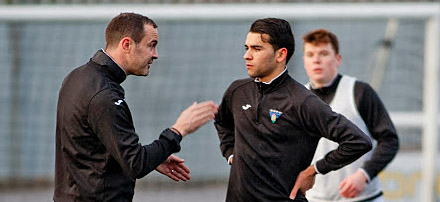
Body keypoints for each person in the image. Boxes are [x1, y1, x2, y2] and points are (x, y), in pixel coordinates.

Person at [54, 13, 218, 202]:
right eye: (151, 45)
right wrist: (178, 130)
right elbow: (136, 164)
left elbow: (92, 146)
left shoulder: (77, 77)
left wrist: (155, 157)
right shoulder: (104, 95)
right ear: (127, 45)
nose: (155, 55)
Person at [214, 18, 372, 202]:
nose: (247, 55)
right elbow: (221, 121)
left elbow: (358, 141)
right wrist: (231, 153)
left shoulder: (302, 101)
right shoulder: (237, 91)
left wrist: (314, 170)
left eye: (257, 49)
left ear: (280, 55)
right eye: (246, 48)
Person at [302, 29, 399, 202]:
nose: (316, 59)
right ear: (304, 61)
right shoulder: (296, 98)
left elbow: (390, 140)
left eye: (324, 53)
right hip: (313, 198)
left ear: (337, 59)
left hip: (363, 197)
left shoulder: (359, 92)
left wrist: (364, 174)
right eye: (310, 54)